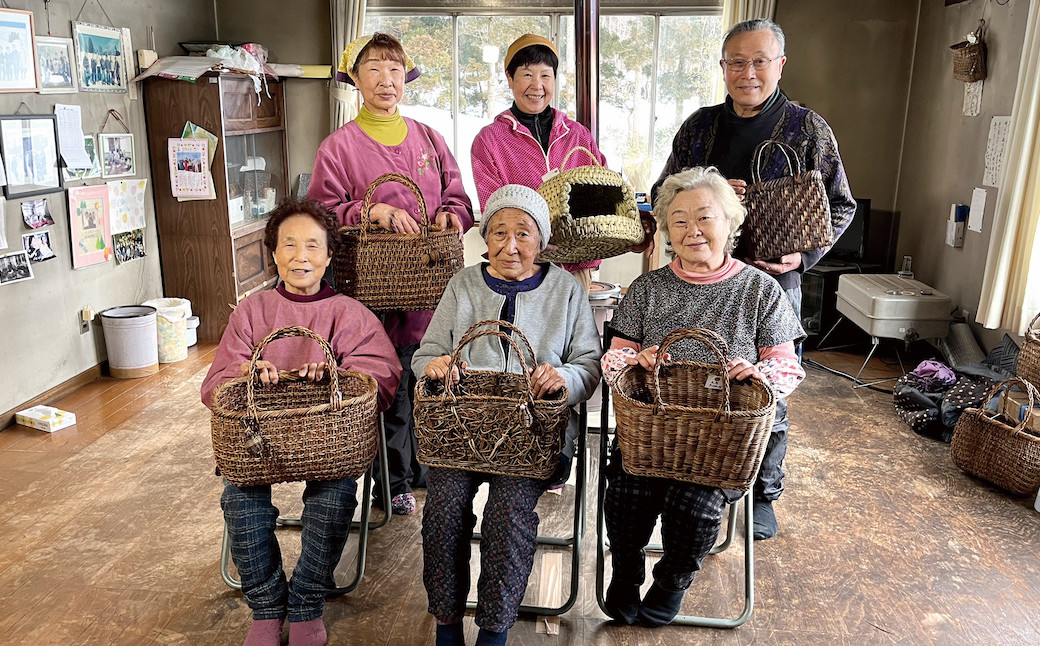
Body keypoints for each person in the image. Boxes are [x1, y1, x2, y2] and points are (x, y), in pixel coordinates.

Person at [653, 18, 855, 540]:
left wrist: (805, 254)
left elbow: (841, 203)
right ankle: (699, 477)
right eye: (736, 62)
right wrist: (711, 191)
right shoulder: (699, 128)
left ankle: (763, 492)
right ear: (722, 67)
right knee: (698, 383)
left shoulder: (808, 129)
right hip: (696, 280)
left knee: (767, 391)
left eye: (759, 61)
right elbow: (662, 192)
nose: (747, 73)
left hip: (769, 282)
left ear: (780, 64)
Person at [601, 167, 805, 627]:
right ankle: (626, 569)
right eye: (678, 220)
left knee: (693, 505)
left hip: (721, 443)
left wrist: (758, 374)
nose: (692, 230)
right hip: (652, 435)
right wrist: (635, 361)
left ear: (730, 223)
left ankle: (673, 577)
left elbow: (788, 366)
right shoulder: (647, 289)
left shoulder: (759, 290)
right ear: (666, 230)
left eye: (704, 217)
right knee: (627, 492)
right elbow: (612, 362)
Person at [200, 197, 401, 646]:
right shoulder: (251, 311)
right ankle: (268, 604)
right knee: (239, 498)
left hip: (330, 447)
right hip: (259, 444)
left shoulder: (350, 313)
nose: (300, 256)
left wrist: (338, 375)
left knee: (333, 498)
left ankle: (308, 599)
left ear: (330, 254)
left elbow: (381, 378)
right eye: (288, 245)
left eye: (312, 245)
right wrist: (250, 374)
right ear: (273, 253)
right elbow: (219, 382)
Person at [413, 185, 601, 646]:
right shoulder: (463, 284)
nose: (510, 245)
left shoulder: (566, 290)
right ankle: (447, 622)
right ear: (484, 236)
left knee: (508, 512)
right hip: (461, 433)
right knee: (443, 506)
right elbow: (428, 353)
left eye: (523, 233)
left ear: (542, 241)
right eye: (499, 232)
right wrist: (437, 366)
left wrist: (562, 377)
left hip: (532, 438)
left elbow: (589, 366)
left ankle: (494, 632)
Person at [308, 32, 474, 516]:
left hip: (428, 288)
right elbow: (322, 213)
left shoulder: (429, 138)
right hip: (370, 290)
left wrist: (450, 215)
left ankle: (423, 468)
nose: (387, 80)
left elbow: (459, 198)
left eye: (396, 70)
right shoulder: (338, 147)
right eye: (375, 69)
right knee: (387, 381)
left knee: (429, 377)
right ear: (355, 78)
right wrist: (369, 210)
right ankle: (390, 479)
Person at [470, 34, 653, 292]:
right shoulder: (489, 140)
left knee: (574, 332)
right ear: (510, 79)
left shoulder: (578, 135)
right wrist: (534, 239)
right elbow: (493, 209)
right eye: (526, 75)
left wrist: (639, 220)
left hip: (575, 265)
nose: (537, 85)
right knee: (519, 332)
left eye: (545, 75)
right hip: (518, 267)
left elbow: (607, 193)